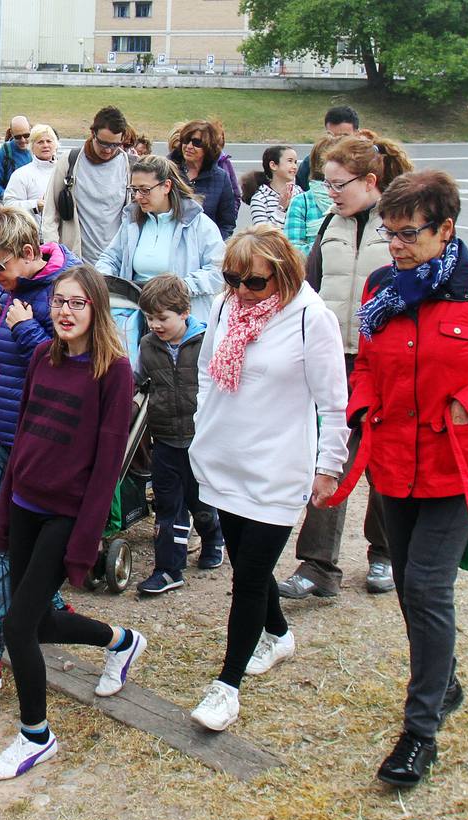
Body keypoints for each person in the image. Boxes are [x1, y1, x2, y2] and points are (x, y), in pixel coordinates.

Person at [337, 170, 468, 786]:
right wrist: (361, 406)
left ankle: (420, 730)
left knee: (428, 588)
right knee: (409, 585)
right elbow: (370, 364)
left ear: (446, 229)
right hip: (394, 466)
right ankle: (444, 676)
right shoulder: (383, 287)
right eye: (389, 232)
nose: (395, 246)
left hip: (458, 468)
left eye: (408, 234)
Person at [188, 225, 350, 731]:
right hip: (224, 457)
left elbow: (333, 403)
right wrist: (200, 425)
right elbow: (208, 372)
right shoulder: (223, 307)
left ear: (283, 275)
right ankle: (278, 634)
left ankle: (226, 687)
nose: (240, 291)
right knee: (246, 567)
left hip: (276, 467)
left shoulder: (310, 320)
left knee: (250, 578)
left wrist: (329, 466)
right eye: (232, 279)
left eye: (253, 283)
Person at [0, 264, 145, 780]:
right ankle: (122, 642)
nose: (65, 312)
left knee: (17, 625)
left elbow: (106, 467)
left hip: (66, 514)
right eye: (58, 302)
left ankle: (37, 735)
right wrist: (6, 508)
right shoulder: (41, 356)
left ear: (95, 309)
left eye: (77, 303)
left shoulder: (114, 372)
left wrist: (86, 538)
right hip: (27, 503)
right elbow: (24, 437)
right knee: (41, 621)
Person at [0, 206, 81, 696]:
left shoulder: (64, 294)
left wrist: (26, 328)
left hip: (33, 445)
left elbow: (69, 367)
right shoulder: (2, 287)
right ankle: (49, 596)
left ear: (28, 253)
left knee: (7, 550)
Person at [276, 130, 413, 602]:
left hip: (390, 362)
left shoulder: (400, 225)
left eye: (338, 185)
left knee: (384, 461)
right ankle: (318, 565)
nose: (329, 195)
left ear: (370, 181)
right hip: (339, 357)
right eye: (326, 186)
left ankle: (384, 553)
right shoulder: (329, 225)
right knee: (332, 457)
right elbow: (307, 288)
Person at [134, 273, 224, 597]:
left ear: (184, 312)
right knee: (167, 506)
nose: (155, 325)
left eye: (162, 318)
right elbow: (136, 379)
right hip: (165, 440)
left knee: (200, 502)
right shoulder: (148, 346)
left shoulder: (205, 343)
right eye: (149, 318)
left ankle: (213, 537)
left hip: (199, 440)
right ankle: (168, 569)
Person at [95, 154, 224, 323]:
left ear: (166, 186)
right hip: (134, 317)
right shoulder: (131, 222)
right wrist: (102, 279)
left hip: (183, 320)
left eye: (145, 190)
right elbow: (110, 258)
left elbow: (218, 270)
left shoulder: (199, 224)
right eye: (134, 189)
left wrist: (178, 288)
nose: (138, 196)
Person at [40, 105, 131, 263]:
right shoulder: (70, 161)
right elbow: (50, 212)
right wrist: (53, 254)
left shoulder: (128, 166)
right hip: (74, 262)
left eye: (115, 145)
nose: (108, 150)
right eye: (103, 143)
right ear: (92, 133)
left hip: (115, 264)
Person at [167, 119, 238, 238]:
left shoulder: (221, 178)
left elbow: (226, 223)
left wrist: (212, 245)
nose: (189, 146)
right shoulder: (167, 170)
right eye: (186, 141)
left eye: (197, 143)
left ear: (208, 147)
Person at [284, 135, 336, 255]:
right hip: (313, 272)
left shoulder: (354, 202)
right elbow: (292, 251)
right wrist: (331, 245)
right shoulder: (302, 202)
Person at [296, 105, 359, 191]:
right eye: (331, 135)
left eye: (343, 136)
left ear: (357, 134)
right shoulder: (312, 161)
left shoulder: (368, 162)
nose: (336, 142)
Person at [2, 124, 58, 216]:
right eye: (40, 142)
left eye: (49, 141)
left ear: (55, 144)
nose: (45, 145)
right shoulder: (21, 174)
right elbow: (9, 205)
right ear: (32, 146)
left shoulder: (65, 170)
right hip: (33, 229)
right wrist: (35, 205)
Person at [250, 145, 303, 227]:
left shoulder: (299, 192)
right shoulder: (260, 198)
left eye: (295, 162)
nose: (294, 166)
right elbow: (262, 234)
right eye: (290, 161)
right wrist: (281, 208)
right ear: (273, 165)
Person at [0, 115, 33, 201]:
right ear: (12, 134)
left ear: (30, 130)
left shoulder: (38, 147)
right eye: (18, 137)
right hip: (15, 207)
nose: (23, 140)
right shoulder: (4, 153)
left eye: (26, 135)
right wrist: (11, 199)